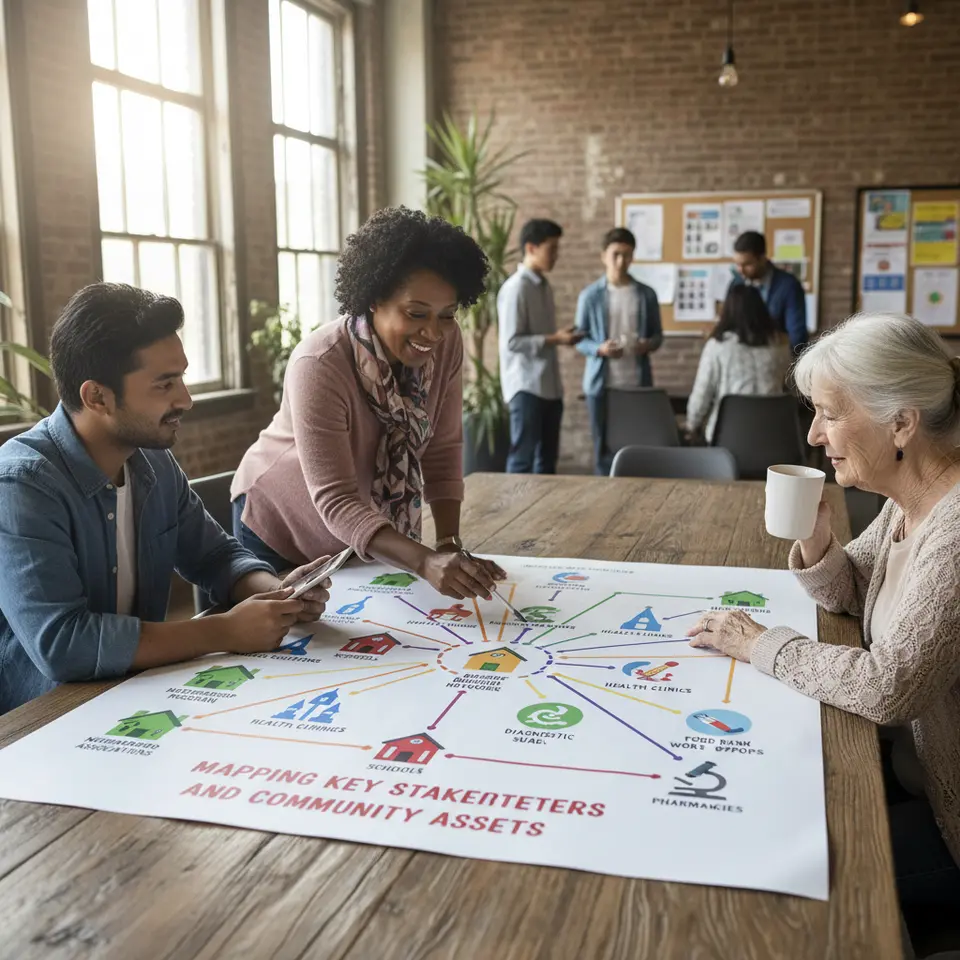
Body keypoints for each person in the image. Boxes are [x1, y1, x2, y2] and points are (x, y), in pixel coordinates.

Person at [685, 313, 960, 912]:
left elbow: (892, 686)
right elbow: (855, 592)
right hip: (900, 767)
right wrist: (817, 540)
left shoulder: (955, 527)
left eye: (831, 414)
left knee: (762, 892)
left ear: (902, 424)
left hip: (948, 821)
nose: (813, 435)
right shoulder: (908, 500)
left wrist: (761, 644)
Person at [0, 283, 332, 715]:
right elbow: (64, 644)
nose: (186, 400)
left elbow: (213, 555)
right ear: (96, 396)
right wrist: (223, 632)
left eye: (183, 378)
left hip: (134, 695)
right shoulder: (21, 485)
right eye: (164, 384)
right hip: (42, 723)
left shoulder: (153, 462)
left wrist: (276, 592)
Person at [232, 206, 505, 602]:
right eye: (416, 314)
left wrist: (447, 543)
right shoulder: (320, 364)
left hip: (361, 534)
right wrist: (424, 562)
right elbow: (336, 498)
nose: (433, 332)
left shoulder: (446, 344)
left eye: (447, 315)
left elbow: (443, 448)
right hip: (280, 528)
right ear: (374, 298)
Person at [575, 227, 664, 475]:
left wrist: (648, 345)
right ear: (604, 255)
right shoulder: (590, 296)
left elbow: (658, 337)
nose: (621, 261)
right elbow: (580, 339)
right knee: (602, 449)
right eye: (616, 254)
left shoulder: (646, 294)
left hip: (637, 382)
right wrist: (600, 349)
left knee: (639, 447)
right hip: (601, 384)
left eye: (627, 255)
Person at [497, 218, 582, 474]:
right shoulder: (516, 288)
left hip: (550, 386)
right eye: (552, 249)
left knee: (547, 462)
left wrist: (559, 337)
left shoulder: (544, 286)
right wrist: (556, 339)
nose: (556, 255)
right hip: (526, 387)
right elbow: (511, 342)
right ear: (531, 248)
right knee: (522, 459)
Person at [685, 284, 790, 443]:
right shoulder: (781, 345)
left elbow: (702, 395)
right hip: (774, 438)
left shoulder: (718, 346)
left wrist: (691, 426)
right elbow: (787, 385)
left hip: (727, 440)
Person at [731, 231, 808, 352]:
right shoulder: (736, 283)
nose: (741, 270)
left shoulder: (788, 286)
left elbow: (797, 335)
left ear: (762, 258)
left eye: (747, 264)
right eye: (738, 264)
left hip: (777, 357)